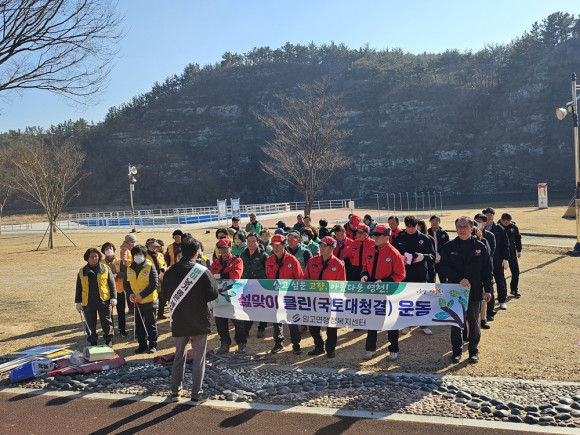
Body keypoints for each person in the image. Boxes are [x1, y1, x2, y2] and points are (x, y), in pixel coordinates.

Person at [161, 236, 218, 405]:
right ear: (196, 252)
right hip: (199, 319)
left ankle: (175, 391)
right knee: (199, 359)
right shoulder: (202, 271)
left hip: (179, 320)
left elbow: (164, 295)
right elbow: (213, 294)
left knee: (179, 356)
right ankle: (196, 394)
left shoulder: (170, 271)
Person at [440, 217, 493, 364]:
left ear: (472, 228)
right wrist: (459, 279)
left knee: (474, 322)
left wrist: (488, 289)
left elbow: (487, 270)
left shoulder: (480, 247)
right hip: (455, 291)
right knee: (456, 322)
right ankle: (456, 351)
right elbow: (443, 267)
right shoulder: (449, 246)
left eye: (465, 226)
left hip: (474, 290)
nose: (462, 229)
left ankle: (473, 351)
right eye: (459, 226)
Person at [359, 225, 406, 361]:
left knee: (391, 322)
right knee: (371, 321)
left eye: (378, 235)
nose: (375, 238)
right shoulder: (370, 249)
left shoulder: (394, 253)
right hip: (372, 291)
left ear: (386, 237)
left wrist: (385, 282)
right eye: (375, 235)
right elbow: (365, 266)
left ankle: (393, 349)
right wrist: (364, 275)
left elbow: (401, 274)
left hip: (388, 293)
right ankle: (370, 349)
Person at [392, 215, 436, 335]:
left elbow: (433, 255)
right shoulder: (400, 237)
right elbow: (393, 253)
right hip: (405, 274)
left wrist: (423, 257)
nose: (410, 229)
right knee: (406, 299)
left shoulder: (424, 238)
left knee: (421, 300)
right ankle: (407, 323)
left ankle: (424, 324)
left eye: (413, 227)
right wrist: (399, 257)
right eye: (408, 227)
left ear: (417, 225)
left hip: (420, 273)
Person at [305, 236, 346, 358]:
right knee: (313, 325)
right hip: (314, 300)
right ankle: (319, 346)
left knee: (331, 327)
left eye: (325, 246)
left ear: (332, 248)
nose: (321, 248)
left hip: (330, 301)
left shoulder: (338, 264)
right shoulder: (312, 261)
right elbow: (306, 279)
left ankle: (330, 349)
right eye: (320, 245)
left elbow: (341, 285)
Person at [264, 233, 305, 354]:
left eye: (278, 245)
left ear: (284, 245)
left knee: (292, 319)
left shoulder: (292, 260)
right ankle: (278, 343)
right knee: (276, 319)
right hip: (275, 295)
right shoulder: (269, 260)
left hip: (290, 295)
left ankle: (296, 343)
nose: (275, 248)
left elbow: (299, 278)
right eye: (273, 246)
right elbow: (268, 278)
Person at [209, 237, 247, 354]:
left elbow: (236, 274)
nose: (224, 250)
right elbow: (210, 276)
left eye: (226, 247)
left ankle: (241, 343)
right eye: (221, 248)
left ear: (230, 248)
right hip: (219, 297)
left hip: (234, 296)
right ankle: (224, 343)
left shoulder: (237, 260)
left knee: (238, 321)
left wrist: (220, 276)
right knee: (220, 322)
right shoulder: (215, 263)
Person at [75, 248, 117, 347]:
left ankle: (108, 340)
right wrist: (78, 302)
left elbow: (112, 284)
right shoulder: (82, 271)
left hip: (104, 300)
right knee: (90, 323)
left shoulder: (105, 268)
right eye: (92, 257)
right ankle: (93, 341)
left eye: (96, 256)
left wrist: (113, 297)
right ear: (87, 258)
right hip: (88, 301)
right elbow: (79, 287)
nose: (94, 258)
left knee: (106, 321)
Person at [125, 244, 159, 354]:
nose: (138, 256)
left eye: (140, 254)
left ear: (144, 255)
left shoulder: (150, 266)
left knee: (150, 324)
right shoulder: (129, 268)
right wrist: (130, 294)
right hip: (136, 301)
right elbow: (126, 284)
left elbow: (154, 284)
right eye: (135, 254)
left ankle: (152, 344)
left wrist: (141, 295)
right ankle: (142, 345)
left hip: (149, 301)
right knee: (139, 325)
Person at [240, 233, 269, 338]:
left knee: (261, 307)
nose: (251, 243)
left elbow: (268, 271)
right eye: (248, 241)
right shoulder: (243, 255)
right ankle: (246, 329)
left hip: (260, 286)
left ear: (258, 242)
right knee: (248, 307)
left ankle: (261, 328)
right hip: (246, 286)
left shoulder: (263, 255)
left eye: (253, 241)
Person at [483, 207, 510, 311]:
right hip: (484, 261)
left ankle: (502, 301)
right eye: (487, 215)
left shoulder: (499, 229)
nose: (489, 217)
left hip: (497, 260)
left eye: (491, 215)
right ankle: (487, 302)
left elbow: (505, 245)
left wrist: (505, 258)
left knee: (500, 280)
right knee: (486, 282)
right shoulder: (480, 228)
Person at [100, 242, 128, 337]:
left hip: (119, 290)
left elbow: (125, 273)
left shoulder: (119, 261)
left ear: (114, 250)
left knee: (121, 312)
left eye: (111, 248)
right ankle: (111, 330)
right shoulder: (101, 263)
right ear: (103, 251)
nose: (109, 250)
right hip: (107, 292)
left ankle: (122, 329)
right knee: (108, 313)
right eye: (106, 249)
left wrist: (116, 275)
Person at [499, 213, 522, 298]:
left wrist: (519, 250)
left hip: (511, 253)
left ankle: (514, 289)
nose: (507, 224)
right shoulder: (497, 228)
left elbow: (518, 239)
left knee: (516, 272)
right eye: (505, 223)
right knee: (500, 274)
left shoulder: (513, 227)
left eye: (508, 222)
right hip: (500, 254)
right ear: (501, 220)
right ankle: (503, 292)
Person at [146, 238, 168, 320]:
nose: (154, 248)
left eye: (155, 246)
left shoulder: (160, 255)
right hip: (150, 279)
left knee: (162, 296)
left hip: (161, 277)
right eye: (152, 246)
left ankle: (160, 313)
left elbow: (164, 264)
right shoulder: (145, 256)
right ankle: (152, 314)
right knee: (153, 297)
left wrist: (164, 268)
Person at [427, 215, 449, 283]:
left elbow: (447, 246)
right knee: (431, 279)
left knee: (443, 278)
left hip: (441, 259)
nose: (434, 222)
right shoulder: (427, 232)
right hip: (431, 258)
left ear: (439, 222)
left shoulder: (444, 233)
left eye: (436, 221)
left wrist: (441, 255)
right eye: (432, 221)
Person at [119, 233, 137, 313]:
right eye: (132, 241)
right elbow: (124, 260)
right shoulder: (124, 250)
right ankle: (131, 307)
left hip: (131, 271)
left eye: (134, 241)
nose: (133, 243)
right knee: (130, 289)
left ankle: (133, 306)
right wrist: (133, 262)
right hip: (128, 272)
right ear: (127, 242)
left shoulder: (130, 249)